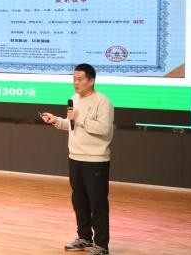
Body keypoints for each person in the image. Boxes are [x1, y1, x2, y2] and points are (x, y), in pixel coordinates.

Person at [40, 63, 114, 255]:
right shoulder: (74, 99)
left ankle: (101, 245)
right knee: (79, 201)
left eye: (80, 79)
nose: (75, 82)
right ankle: (84, 238)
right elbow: (73, 125)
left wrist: (78, 118)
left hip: (95, 160)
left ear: (91, 80)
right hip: (75, 157)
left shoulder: (103, 101)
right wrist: (57, 121)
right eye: (74, 79)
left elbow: (104, 129)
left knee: (97, 204)